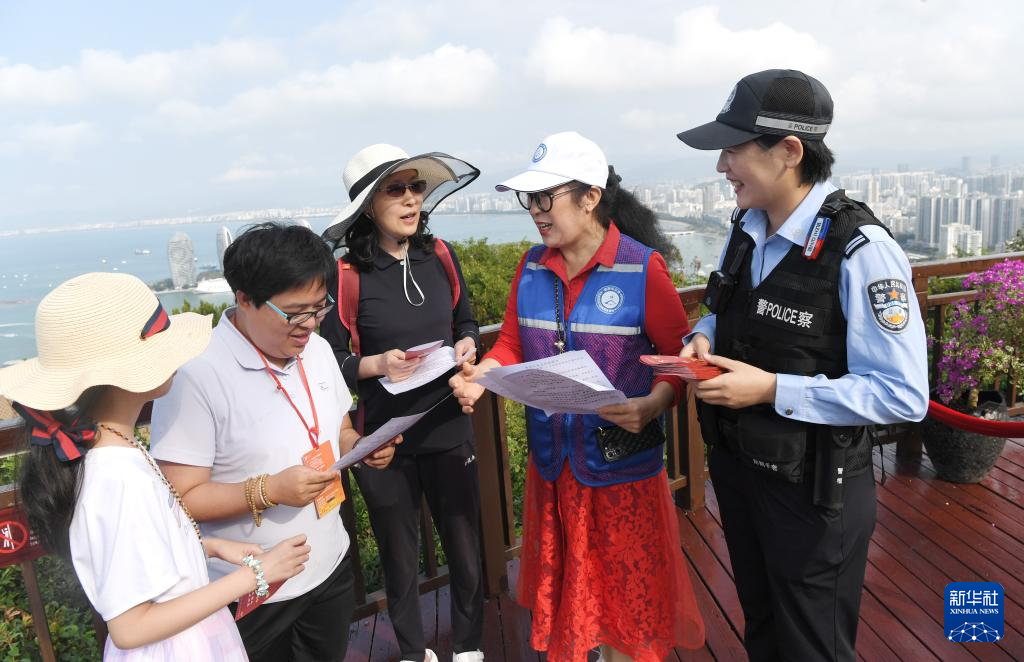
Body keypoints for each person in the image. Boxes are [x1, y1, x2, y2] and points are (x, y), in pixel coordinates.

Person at [675, 69, 929, 661]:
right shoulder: (747, 227)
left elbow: (903, 393)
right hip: (742, 475)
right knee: (762, 626)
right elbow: (722, 305)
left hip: (815, 496)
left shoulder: (861, 250)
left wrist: (771, 390)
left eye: (732, 150)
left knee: (810, 645)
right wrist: (703, 335)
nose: (721, 167)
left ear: (789, 152)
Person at [449, 131, 705, 662]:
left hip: (620, 472)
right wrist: (484, 374)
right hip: (555, 468)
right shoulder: (532, 266)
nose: (535, 212)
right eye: (530, 199)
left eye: (545, 198)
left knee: (626, 605)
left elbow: (680, 359)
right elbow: (514, 343)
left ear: (589, 196)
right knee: (574, 602)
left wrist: (655, 402)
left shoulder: (641, 267)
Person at [0, 272, 311, 660]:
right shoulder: (116, 476)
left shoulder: (111, 448)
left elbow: (144, 551)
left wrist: (210, 547)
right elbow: (131, 627)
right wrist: (258, 574)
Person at [150, 223, 400, 662]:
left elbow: (336, 430)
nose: (309, 324)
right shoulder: (196, 374)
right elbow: (180, 498)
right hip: (251, 586)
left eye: (319, 309)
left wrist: (360, 447)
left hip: (329, 563)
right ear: (243, 298)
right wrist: (269, 491)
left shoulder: (317, 351)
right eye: (294, 312)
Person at [319, 144, 485, 662]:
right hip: (383, 440)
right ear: (370, 205)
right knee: (398, 556)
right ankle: (415, 652)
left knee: (465, 546)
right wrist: (378, 365)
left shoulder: (440, 256)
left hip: (448, 424)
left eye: (416, 187)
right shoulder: (346, 276)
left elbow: (466, 320)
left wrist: (467, 343)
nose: (412, 199)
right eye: (397, 189)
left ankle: (469, 646)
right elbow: (332, 361)